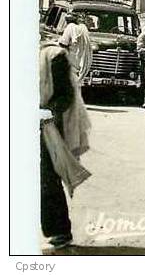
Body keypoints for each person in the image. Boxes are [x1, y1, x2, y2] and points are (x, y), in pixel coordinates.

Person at [39, 38, 91, 250]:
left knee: (47, 178)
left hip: (47, 124)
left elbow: (65, 95)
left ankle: (59, 230)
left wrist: (46, 113)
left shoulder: (54, 56)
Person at [58, 13, 92, 82]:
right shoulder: (83, 28)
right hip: (82, 61)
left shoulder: (70, 27)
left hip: (72, 60)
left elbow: (63, 43)